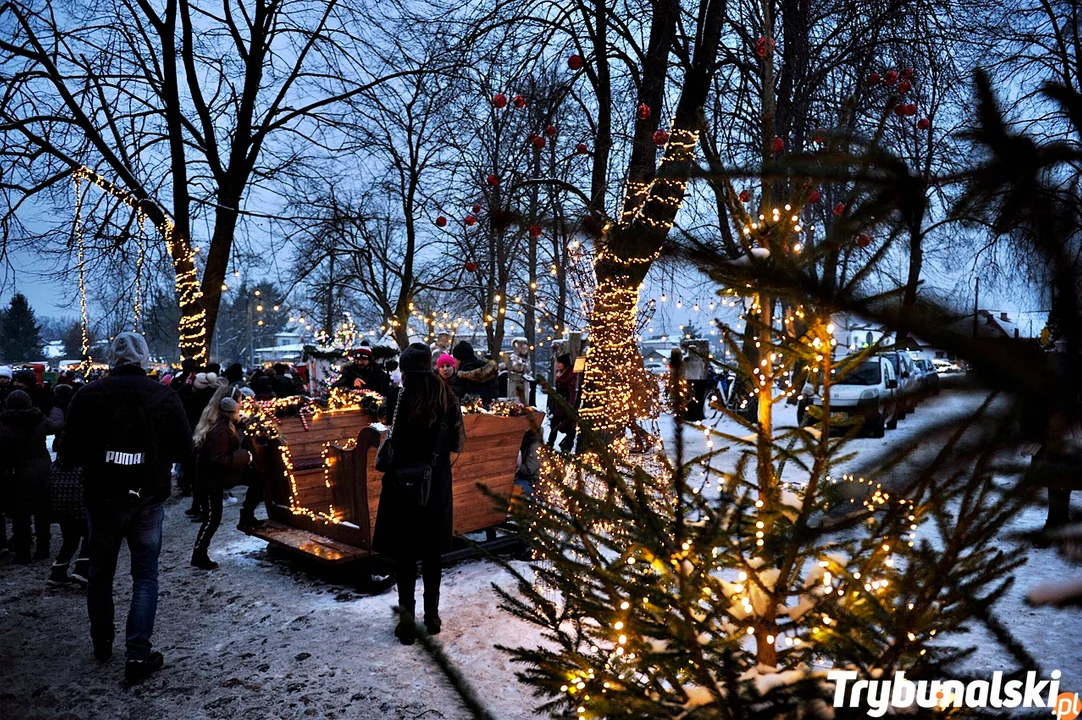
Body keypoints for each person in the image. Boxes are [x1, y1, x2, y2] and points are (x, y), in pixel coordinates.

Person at [62, 332, 191, 684]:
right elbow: (184, 450)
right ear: (145, 358)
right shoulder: (164, 395)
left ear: (112, 358)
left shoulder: (87, 395)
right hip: (147, 499)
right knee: (145, 577)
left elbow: (68, 452)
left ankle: (102, 642)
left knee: (100, 574)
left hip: (102, 499)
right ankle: (137, 654)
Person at [372, 343, 465, 645]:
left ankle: (407, 624)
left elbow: (389, 431)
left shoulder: (398, 396)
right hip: (435, 482)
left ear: (404, 369)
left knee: (405, 555)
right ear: (429, 366)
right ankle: (433, 617)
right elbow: (457, 444)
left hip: (401, 482)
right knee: (432, 553)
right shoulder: (448, 398)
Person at [191, 391, 252, 569]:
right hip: (210, 481)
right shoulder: (220, 430)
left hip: (211, 479)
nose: (241, 406)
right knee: (212, 518)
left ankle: (199, 552)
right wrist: (244, 456)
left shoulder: (223, 424)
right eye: (239, 403)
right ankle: (199, 554)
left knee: (213, 517)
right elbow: (218, 458)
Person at [0, 389, 62, 563]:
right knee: (43, 513)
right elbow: (57, 426)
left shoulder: (3, 423)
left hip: (16, 473)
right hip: (42, 470)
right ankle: (43, 549)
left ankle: (23, 552)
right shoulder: (39, 419)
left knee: (21, 515)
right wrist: (57, 410)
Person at [49, 383, 90, 585]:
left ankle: (58, 572)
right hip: (81, 508)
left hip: (62, 509)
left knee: (69, 540)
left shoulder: (58, 466)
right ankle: (82, 569)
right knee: (89, 537)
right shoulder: (83, 466)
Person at [546, 354, 578, 452]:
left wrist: (570, 406)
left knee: (568, 426)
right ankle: (550, 443)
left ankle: (566, 446)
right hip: (558, 405)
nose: (558, 365)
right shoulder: (560, 373)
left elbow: (572, 392)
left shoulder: (570, 375)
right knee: (554, 425)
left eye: (559, 363)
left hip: (565, 404)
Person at [507, 337, 531, 403]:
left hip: (524, 383)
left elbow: (528, 369)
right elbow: (516, 368)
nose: (525, 350)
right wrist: (522, 365)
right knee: (514, 402)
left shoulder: (527, 358)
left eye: (526, 348)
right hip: (514, 383)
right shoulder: (513, 357)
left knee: (525, 402)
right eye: (523, 348)